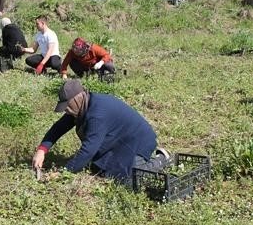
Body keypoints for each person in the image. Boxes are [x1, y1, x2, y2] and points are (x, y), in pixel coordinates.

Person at [31, 79, 169, 185]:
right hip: (119, 139)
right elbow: (59, 128)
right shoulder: (84, 105)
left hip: (137, 141)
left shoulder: (97, 115)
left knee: (129, 181)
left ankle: (163, 159)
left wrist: (64, 173)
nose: (66, 110)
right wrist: (42, 150)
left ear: (76, 100)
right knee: (99, 168)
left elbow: (88, 150)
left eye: (67, 106)